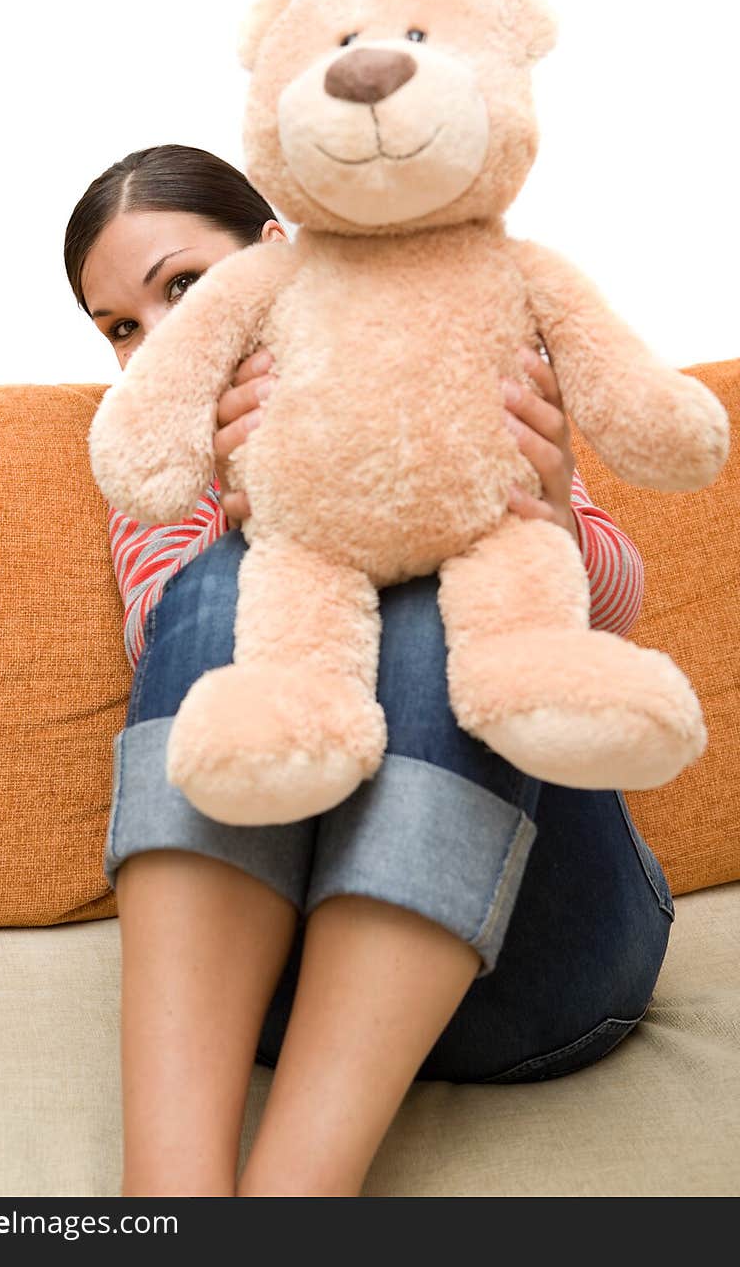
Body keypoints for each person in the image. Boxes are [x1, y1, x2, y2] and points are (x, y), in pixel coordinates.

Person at [64, 143, 673, 1198]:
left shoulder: (449, 357)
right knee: (218, 592)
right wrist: (245, 498)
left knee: (449, 606)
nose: (157, 338)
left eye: (183, 288)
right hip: (289, 985)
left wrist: (547, 501)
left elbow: (611, 613)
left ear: (273, 255)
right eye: (122, 327)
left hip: (543, 954)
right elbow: (163, 648)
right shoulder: (154, 461)